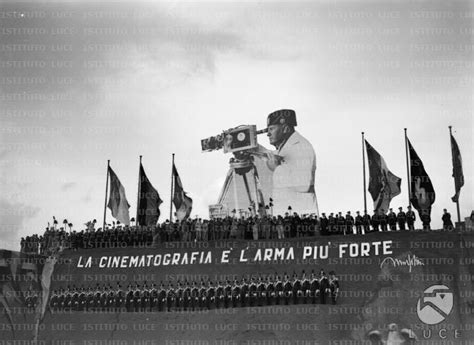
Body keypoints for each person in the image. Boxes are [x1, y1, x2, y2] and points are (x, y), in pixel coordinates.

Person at [255, 109, 318, 216]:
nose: (268, 134)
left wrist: (277, 169)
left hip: (301, 216)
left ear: (286, 128)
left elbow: (304, 185)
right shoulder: (287, 146)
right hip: (287, 212)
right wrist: (254, 148)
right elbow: (275, 156)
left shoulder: (301, 146)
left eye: (272, 129)